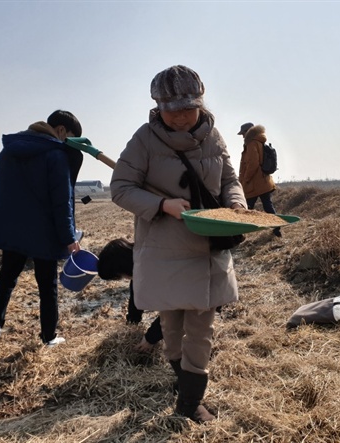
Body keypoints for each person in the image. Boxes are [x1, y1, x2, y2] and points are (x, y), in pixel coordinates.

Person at [110, 65, 246, 422]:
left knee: (201, 329)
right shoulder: (144, 140)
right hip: (164, 246)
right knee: (171, 328)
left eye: (189, 108)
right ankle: (182, 380)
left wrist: (237, 204)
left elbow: (230, 178)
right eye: (173, 110)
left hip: (209, 246)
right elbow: (121, 187)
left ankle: (188, 403)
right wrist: (161, 206)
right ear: (158, 107)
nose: (182, 117)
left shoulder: (214, 136)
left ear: (201, 103)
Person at [0, 110, 84, 347]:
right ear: (62, 131)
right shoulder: (55, 155)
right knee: (47, 285)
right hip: (43, 232)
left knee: (6, 277)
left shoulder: (10, 150)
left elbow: (2, 191)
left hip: (13, 227)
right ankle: (49, 337)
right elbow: (61, 201)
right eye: (71, 137)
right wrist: (68, 236)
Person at [97, 238, 163, 353]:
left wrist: (150, 338)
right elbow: (136, 296)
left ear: (123, 268)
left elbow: (173, 310)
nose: (125, 278)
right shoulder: (138, 262)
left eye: (121, 276)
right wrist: (132, 324)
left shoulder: (153, 267)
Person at [237, 123, 281, 237]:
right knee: (267, 205)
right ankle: (277, 229)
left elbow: (253, 163)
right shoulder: (259, 142)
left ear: (248, 132)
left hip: (254, 183)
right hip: (264, 182)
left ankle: (241, 232)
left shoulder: (252, 143)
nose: (242, 136)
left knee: (247, 206)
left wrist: (246, 179)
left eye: (243, 133)